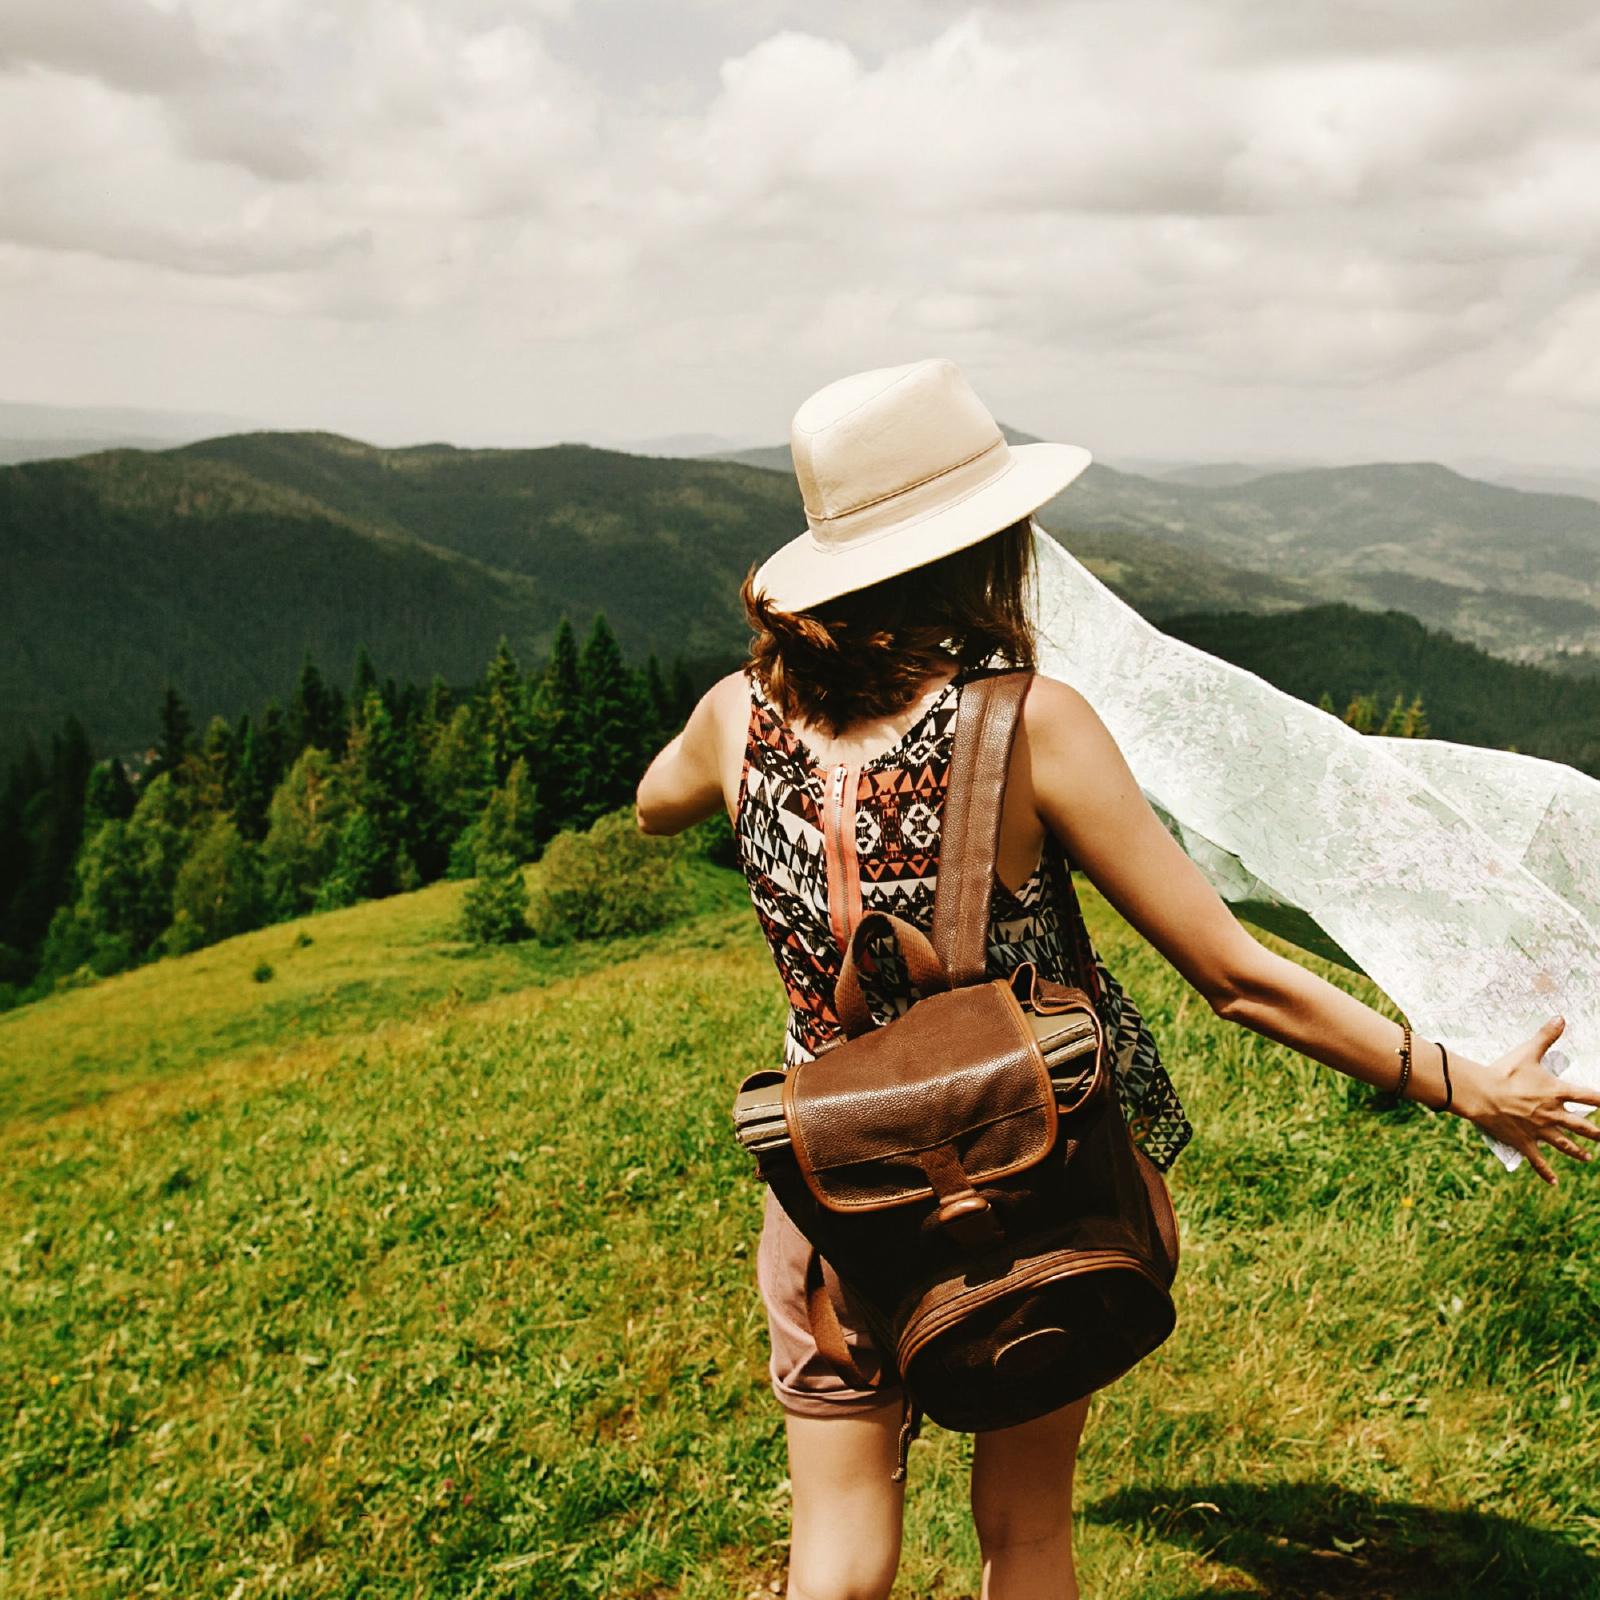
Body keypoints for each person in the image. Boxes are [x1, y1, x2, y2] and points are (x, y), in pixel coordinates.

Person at [633, 358, 1597, 1600]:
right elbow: (1236, 976)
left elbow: (656, 803)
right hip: (1028, 1170)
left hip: (829, 1177)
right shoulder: (1031, 723)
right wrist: (1462, 1085)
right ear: (983, 551)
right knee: (1023, 1531)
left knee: (836, 1551)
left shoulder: (734, 713)